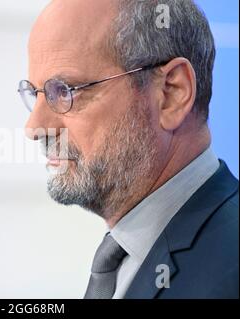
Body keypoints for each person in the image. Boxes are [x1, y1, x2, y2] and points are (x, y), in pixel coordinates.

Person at [18, 0, 239, 299]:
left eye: (65, 91)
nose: (34, 128)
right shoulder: (124, 254)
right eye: (36, 94)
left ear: (171, 94)